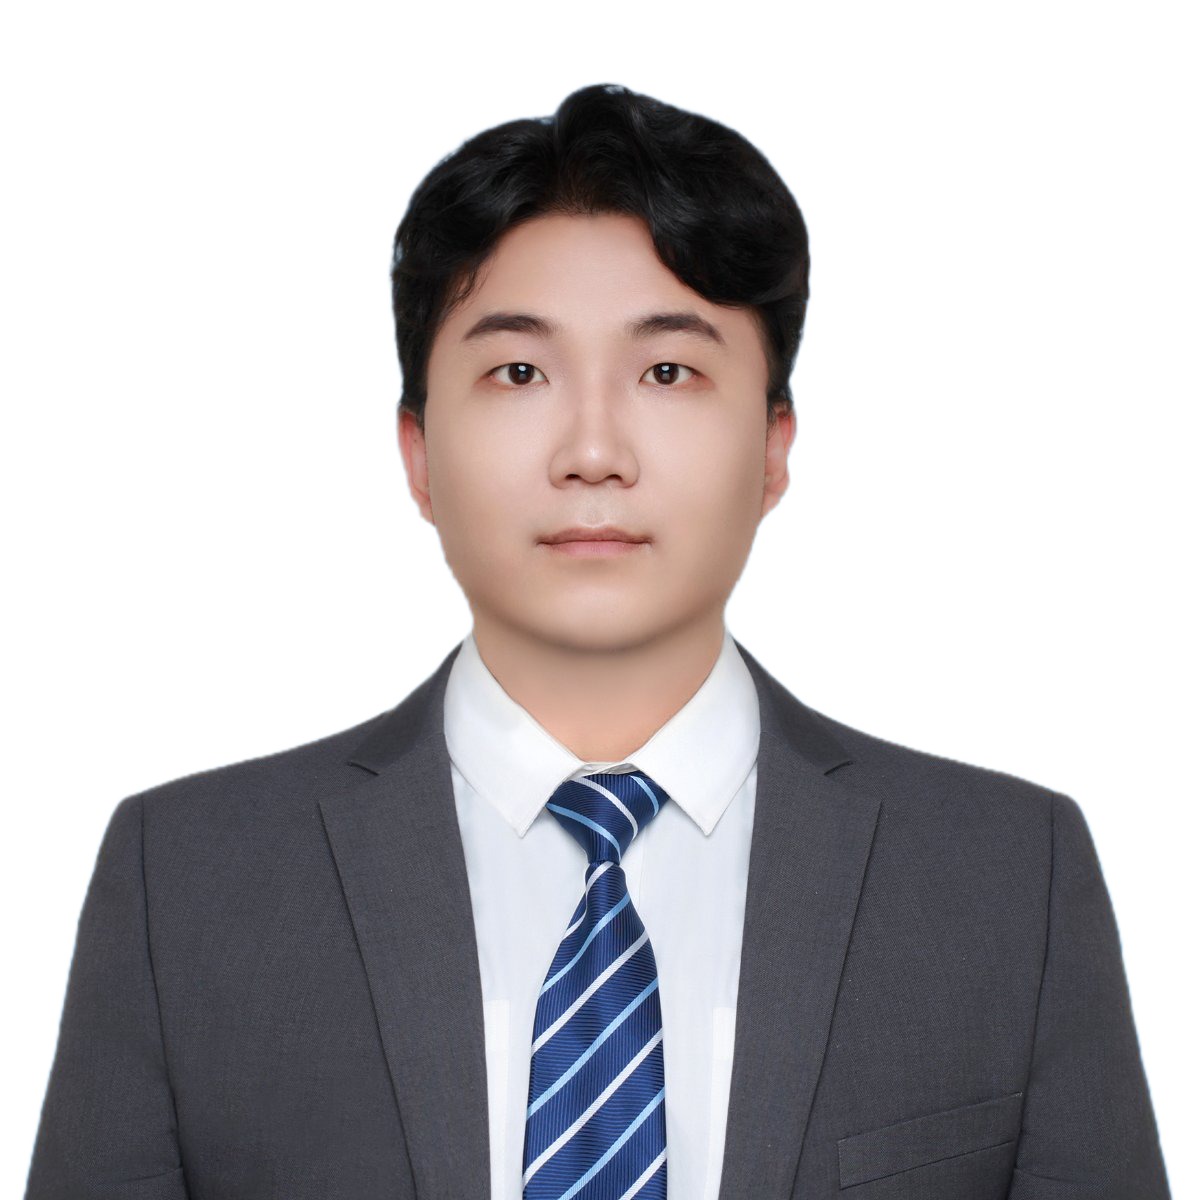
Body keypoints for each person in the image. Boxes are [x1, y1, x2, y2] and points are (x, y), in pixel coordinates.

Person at [25, 82, 1170, 1200]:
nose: (592, 452)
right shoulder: (188, 884)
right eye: (519, 372)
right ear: (418, 455)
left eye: (668, 371)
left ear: (774, 447)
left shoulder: (1005, 881)